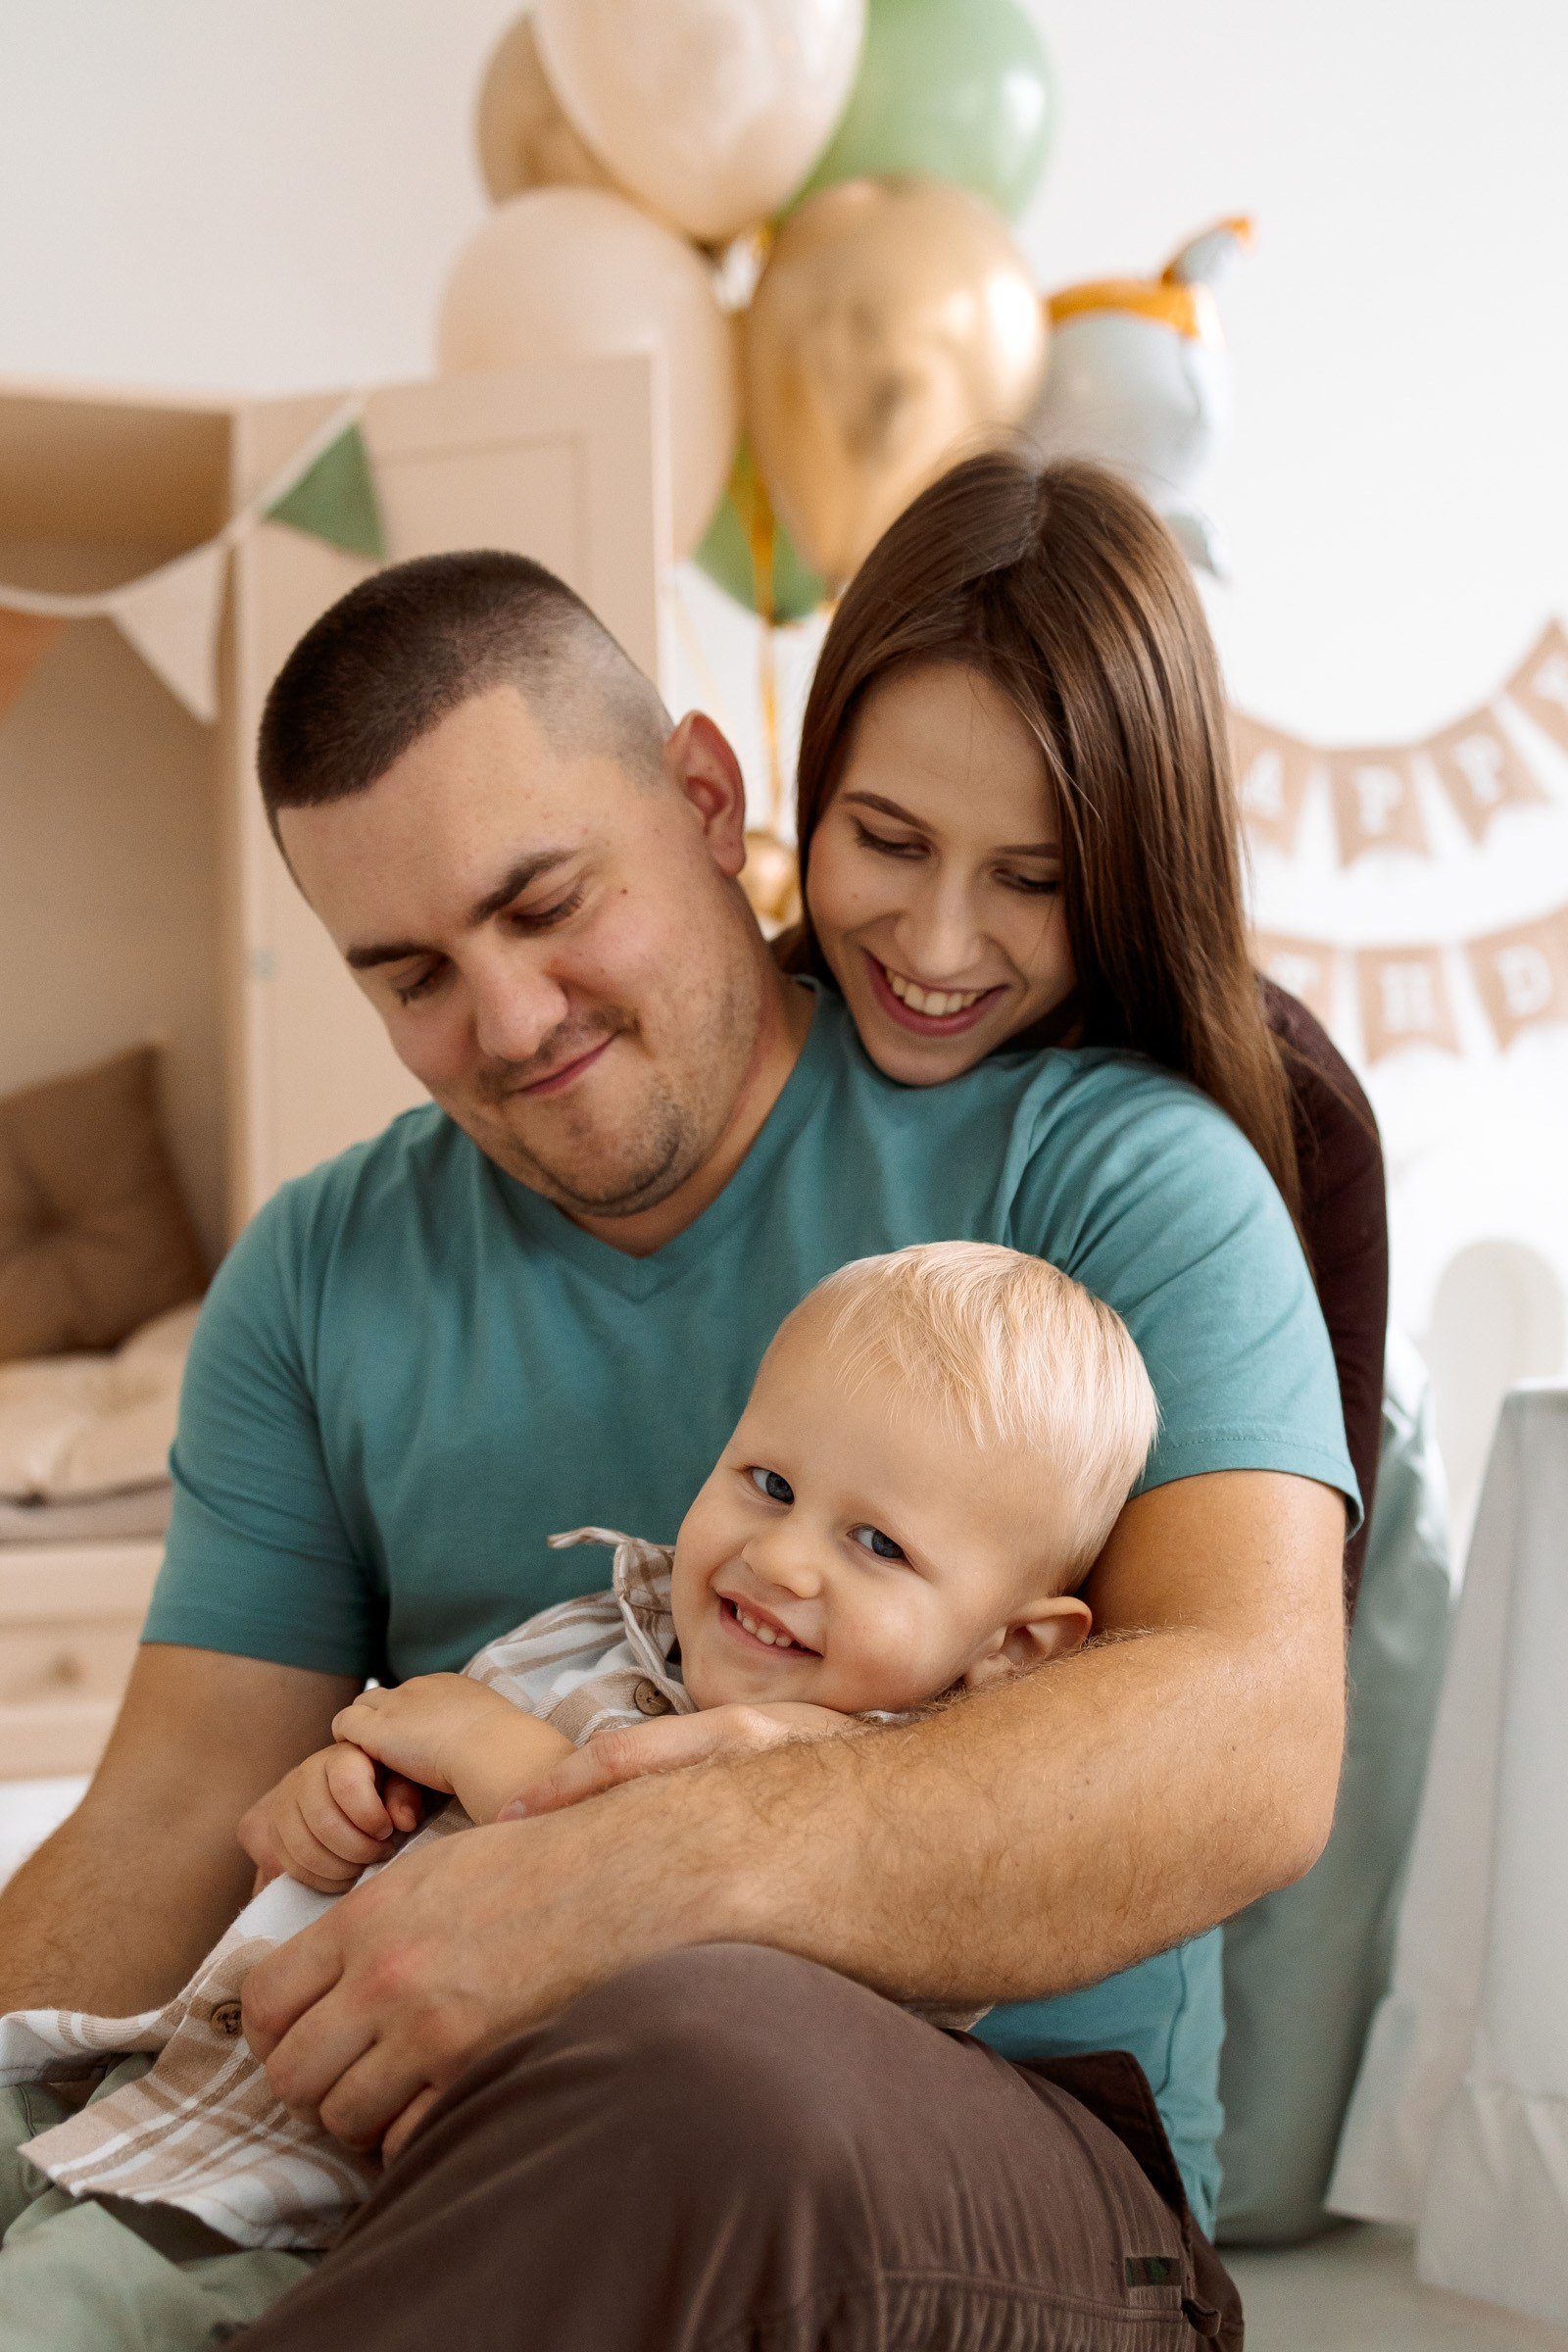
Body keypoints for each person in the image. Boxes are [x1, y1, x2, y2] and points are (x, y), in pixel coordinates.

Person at [0, 542, 1355, 2352]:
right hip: (419, 2162)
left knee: (700, 2059)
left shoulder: (1112, 1169)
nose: (509, 1020)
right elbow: (171, 1818)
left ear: (708, 799)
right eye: (411, 975)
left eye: (549, 903)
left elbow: (1251, 1743)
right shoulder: (316, 1272)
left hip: (975, 2170)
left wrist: (605, 1892)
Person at [3, 1244, 1155, 2279]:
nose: (780, 1559)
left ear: (1010, 1648)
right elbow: (390, 1791)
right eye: (769, 1484)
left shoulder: (904, 1798)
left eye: (876, 1544)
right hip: (167, 2083)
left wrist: (484, 1744)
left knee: (57, 2305)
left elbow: (703, 1981)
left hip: (316, 2210)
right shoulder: (601, 1626)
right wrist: (340, 1800)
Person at [781, 450, 1389, 1607]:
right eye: (887, 842)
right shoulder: (756, 1043)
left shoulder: (1290, 1117)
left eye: (1031, 880)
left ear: (1136, 873)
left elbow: (1279, 1639)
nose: (936, 947)